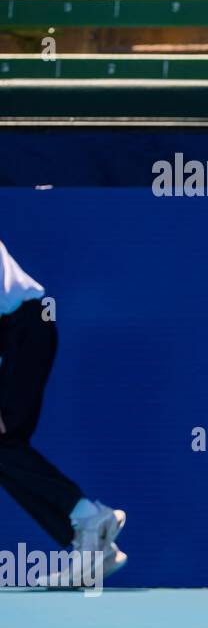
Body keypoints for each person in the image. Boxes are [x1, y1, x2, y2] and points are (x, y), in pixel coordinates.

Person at [0, 240, 127, 587]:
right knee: (5, 451)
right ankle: (90, 547)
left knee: (3, 443)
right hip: (22, 331)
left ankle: (89, 516)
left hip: (26, 329)